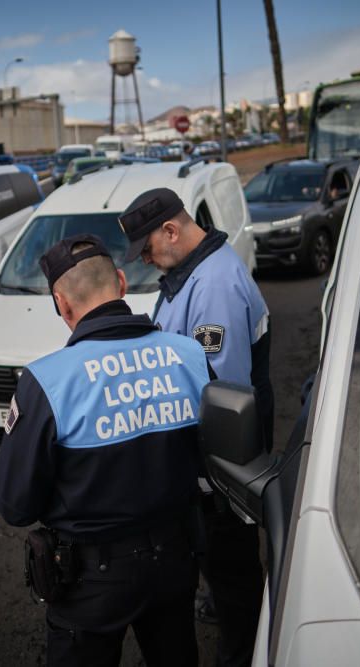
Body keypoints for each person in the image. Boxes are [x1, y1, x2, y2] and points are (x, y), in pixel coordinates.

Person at [0, 233, 212, 667]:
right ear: (121, 282)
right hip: (175, 560)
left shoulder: (47, 381)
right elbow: (216, 457)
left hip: (90, 581)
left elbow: (16, 504)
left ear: (62, 303)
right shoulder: (188, 354)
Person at [120, 187, 272, 667]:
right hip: (205, 457)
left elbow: (220, 396)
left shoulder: (215, 287)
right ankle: (229, 612)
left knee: (233, 564)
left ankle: (244, 649)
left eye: (147, 249)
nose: (146, 259)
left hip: (221, 458)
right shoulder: (190, 275)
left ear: (171, 230)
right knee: (216, 557)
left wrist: (209, 477)